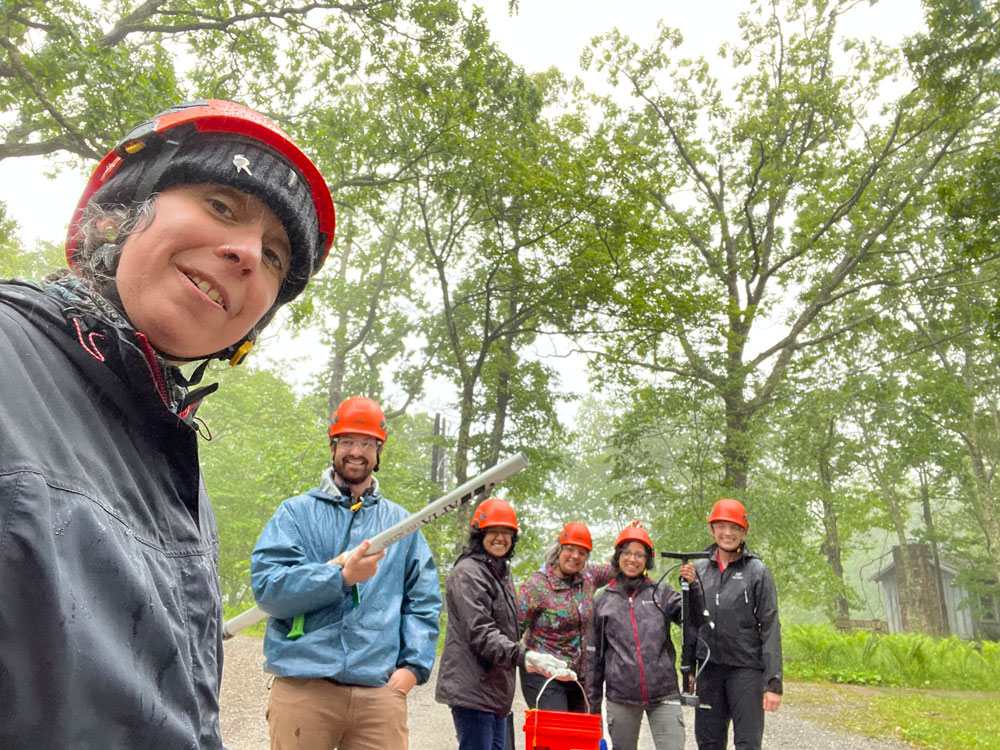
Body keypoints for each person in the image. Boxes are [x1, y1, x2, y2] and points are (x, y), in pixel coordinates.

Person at [0, 98, 335, 748]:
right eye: (220, 205)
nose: (245, 253)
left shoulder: (176, 467)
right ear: (114, 218)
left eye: (273, 255)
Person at [250, 396, 441, 750]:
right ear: (333, 446)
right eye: (348, 441)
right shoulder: (295, 514)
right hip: (304, 686)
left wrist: (412, 668)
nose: (357, 451)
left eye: (367, 443)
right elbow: (268, 588)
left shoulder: (402, 525)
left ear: (379, 451)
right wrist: (339, 578)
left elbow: (423, 601)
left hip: (378, 694)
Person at [436, 498, 570, 750]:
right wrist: (526, 656)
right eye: (492, 532)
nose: (500, 538)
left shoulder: (500, 572)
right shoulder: (468, 573)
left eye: (506, 533)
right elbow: (481, 633)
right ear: (479, 535)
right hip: (473, 689)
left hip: (495, 690)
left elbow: (511, 628)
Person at [586, 522, 703, 750]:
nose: (633, 559)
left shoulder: (661, 593)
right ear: (618, 557)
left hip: (664, 692)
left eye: (639, 554)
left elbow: (692, 620)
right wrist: (592, 708)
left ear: (647, 560)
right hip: (621, 697)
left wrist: (693, 588)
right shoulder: (603, 601)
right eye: (627, 553)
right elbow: (594, 659)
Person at [692, 499, 782, 750]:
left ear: (745, 532)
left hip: (746, 671)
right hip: (708, 671)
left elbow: (770, 626)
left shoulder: (757, 571)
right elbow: (690, 623)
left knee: (748, 743)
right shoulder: (698, 569)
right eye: (721, 526)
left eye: (735, 527)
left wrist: (773, 683)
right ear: (712, 530)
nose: (728, 533)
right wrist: (688, 670)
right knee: (708, 743)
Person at [518, 521, 614, 713]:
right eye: (570, 549)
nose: (575, 556)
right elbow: (511, 629)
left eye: (582, 552)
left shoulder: (588, 577)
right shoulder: (536, 586)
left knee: (578, 737)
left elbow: (617, 567)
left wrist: (628, 541)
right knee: (555, 736)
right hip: (544, 674)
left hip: (578, 676)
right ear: (559, 549)